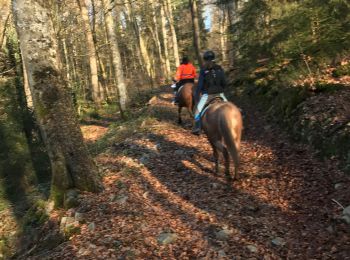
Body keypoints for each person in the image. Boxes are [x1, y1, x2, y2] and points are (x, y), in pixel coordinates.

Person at [192, 50, 228, 135]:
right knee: (230, 106)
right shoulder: (219, 68)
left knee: (197, 111)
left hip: (207, 95)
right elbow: (224, 83)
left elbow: (200, 85)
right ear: (213, 58)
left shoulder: (203, 70)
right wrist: (220, 89)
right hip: (220, 94)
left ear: (205, 59)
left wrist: (197, 95)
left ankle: (197, 127)